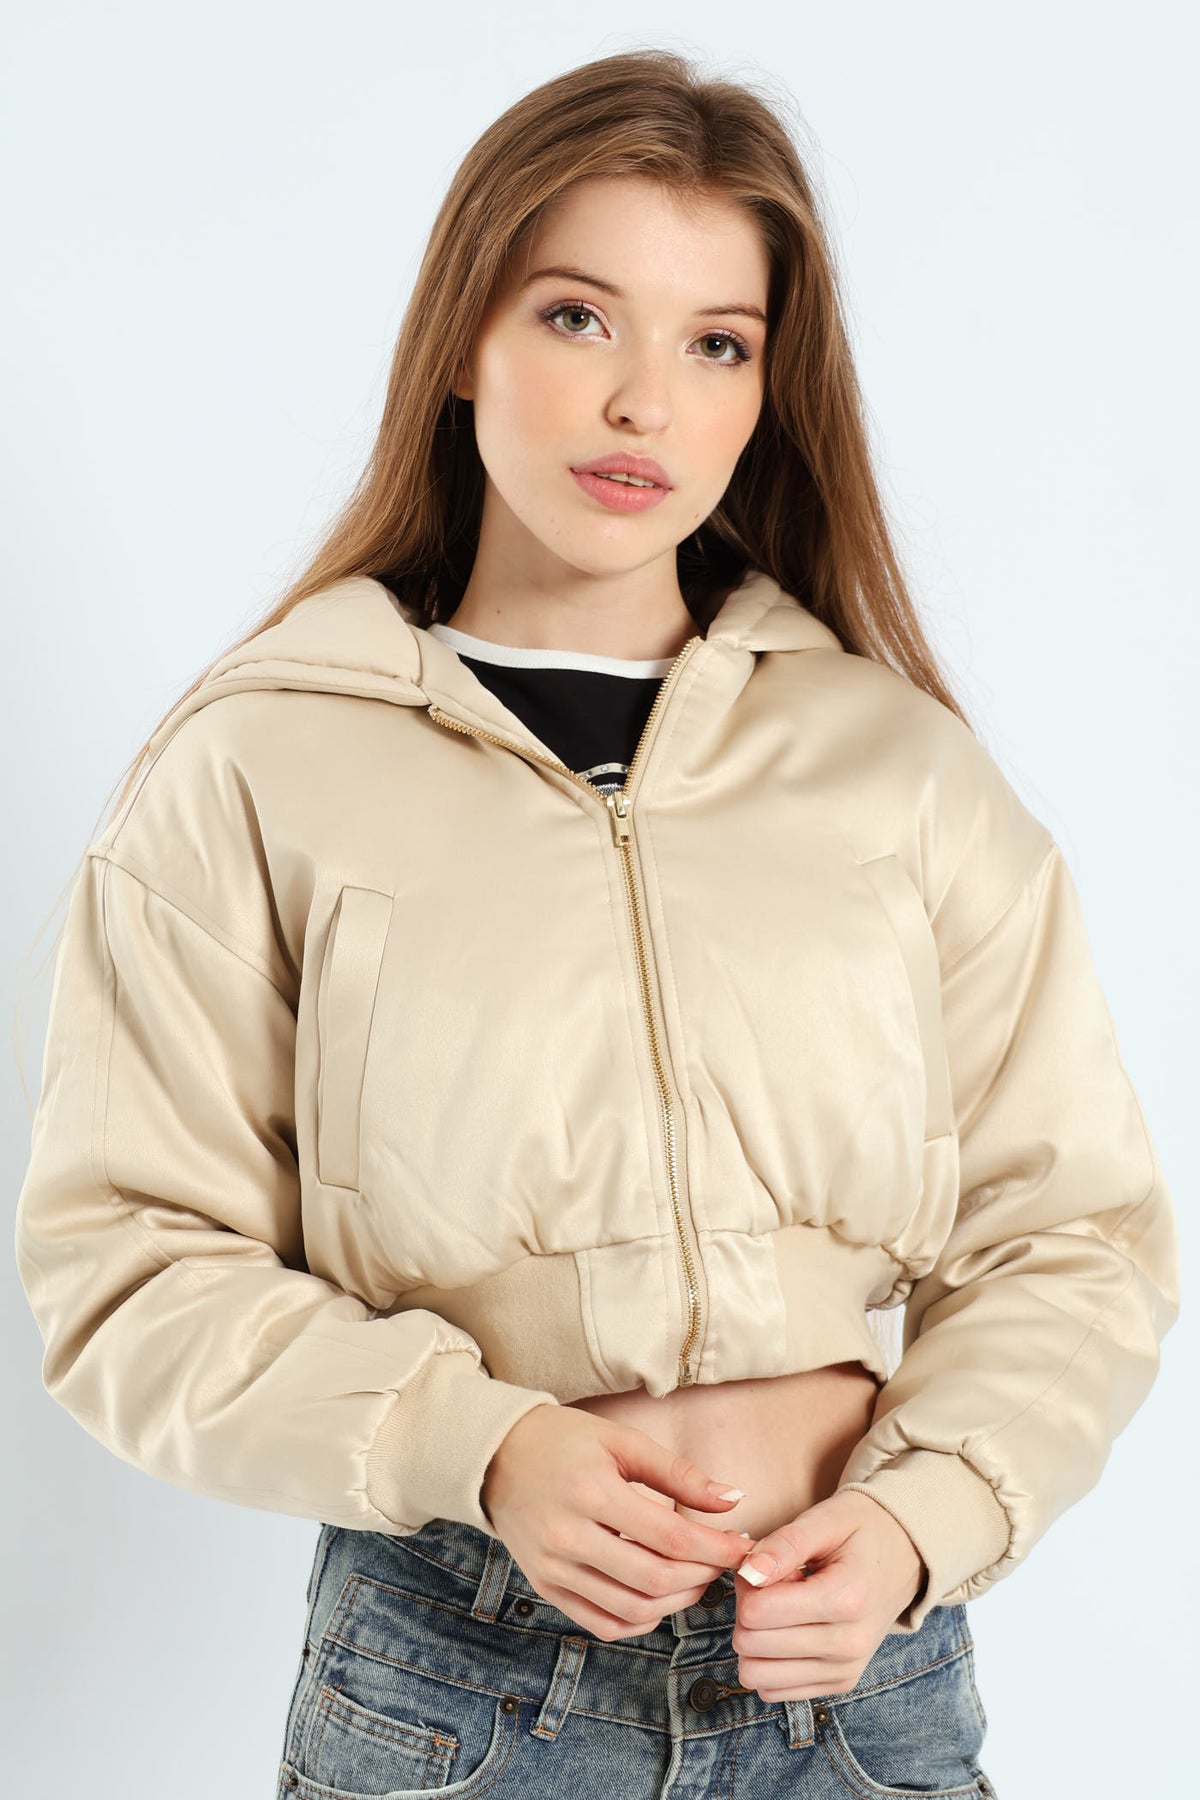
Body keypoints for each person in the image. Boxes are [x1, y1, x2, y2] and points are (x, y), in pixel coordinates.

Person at [14, 47, 1179, 1800]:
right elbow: (127, 1266)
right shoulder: (257, 764)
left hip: (859, 1679)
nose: (645, 402)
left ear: (768, 389)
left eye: (717, 343)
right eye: (579, 317)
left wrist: (927, 1517)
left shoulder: (899, 767)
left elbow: (1076, 1234)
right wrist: (479, 1447)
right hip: (462, 1686)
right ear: (464, 340)